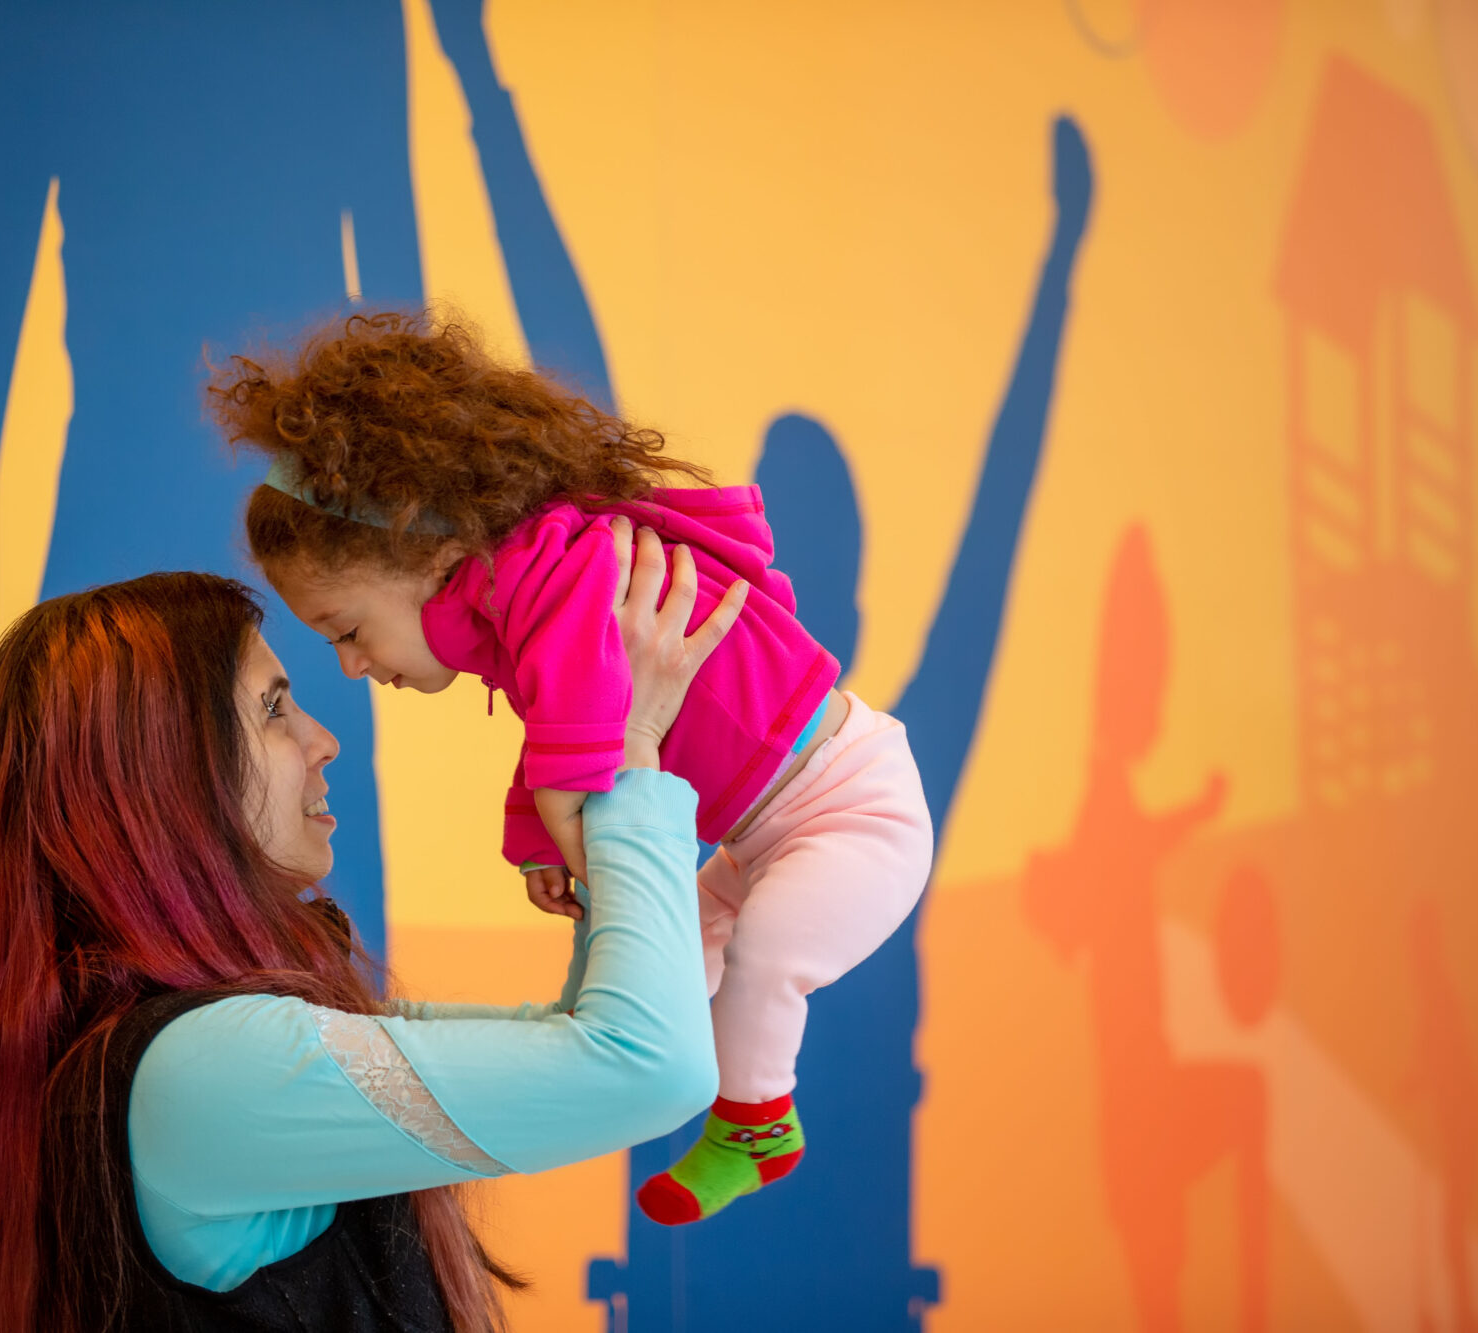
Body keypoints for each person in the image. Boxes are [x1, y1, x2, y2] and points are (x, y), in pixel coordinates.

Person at [213, 312, 936, 1227]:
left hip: (854, 805)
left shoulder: (560, 571)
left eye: (350, 632)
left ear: (439, 562)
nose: (354, 668)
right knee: (683, 951)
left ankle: (757, 1121)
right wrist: (541, 846)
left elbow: (576, 752)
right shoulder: (529, 592)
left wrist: (578, 849)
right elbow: (563, 727)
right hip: (767, 829)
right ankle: (657, 1070)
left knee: (762, 953)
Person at [0, 522, 737, 1332]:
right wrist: (627, 747)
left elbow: (583, 1043)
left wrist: (587, 789)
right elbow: (648, 1066)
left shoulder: (229, 1044)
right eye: (274, 709)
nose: (324, 739)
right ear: (162, 772)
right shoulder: (213, 1067)